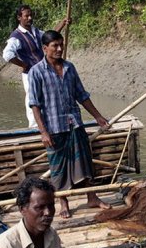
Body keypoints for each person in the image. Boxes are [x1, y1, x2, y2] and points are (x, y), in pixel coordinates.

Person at [28, 30, 111, 219]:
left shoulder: (69, 67)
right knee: (58, 168)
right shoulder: (36, 72)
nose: (59, 49)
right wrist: (43, 132)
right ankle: (63, 203)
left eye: (61, 45)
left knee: (85, 162)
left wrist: (98, 116)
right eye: (54, 46)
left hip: (74, 123)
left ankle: (92, 197)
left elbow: (82, 95)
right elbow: (35, 104)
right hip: (54, 128)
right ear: (44, 48)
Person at [2, 4, 70, 128]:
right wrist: (24, 65)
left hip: (44, 71)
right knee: (32, 99)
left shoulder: (35, 31)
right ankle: (34, 127)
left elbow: (50, 36)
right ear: (19, 18)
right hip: (30, 74)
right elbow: (7, 55)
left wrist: (63, 23)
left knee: (47, 96)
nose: (29, 18)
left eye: (30, 15)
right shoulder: (16, 37)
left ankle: (48, 123)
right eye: (26, 16)